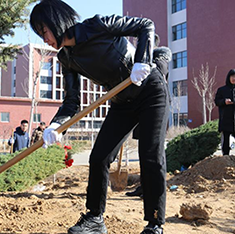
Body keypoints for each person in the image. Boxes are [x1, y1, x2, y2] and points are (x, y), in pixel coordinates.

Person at [30, 1, 170, 234]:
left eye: (43, 31)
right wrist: (56, 125)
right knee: (99, 158)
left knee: (150, 155)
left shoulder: (97, 25)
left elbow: (145, 25)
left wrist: (142, 60)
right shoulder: (66, 58)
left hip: (149, 90)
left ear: (56, 21)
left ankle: (155, 223)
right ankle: (95, 218)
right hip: (121, 101)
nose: (44, 39)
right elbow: (72, 101)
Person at [126, 45, 172, 199]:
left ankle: (152, 189)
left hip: (154, 108)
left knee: (153, 153)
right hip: (141, 105)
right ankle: (144, 186)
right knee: (143, 152)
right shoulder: (145, 61)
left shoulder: (161, 61)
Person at [215, 69, 235, 156]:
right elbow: (217, 101)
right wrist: (224, 101)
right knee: (225, 143)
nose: (234, 78)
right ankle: (225, 160)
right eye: (232, 76)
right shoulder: (222, 90)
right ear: (228, 77)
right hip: (226, 120)